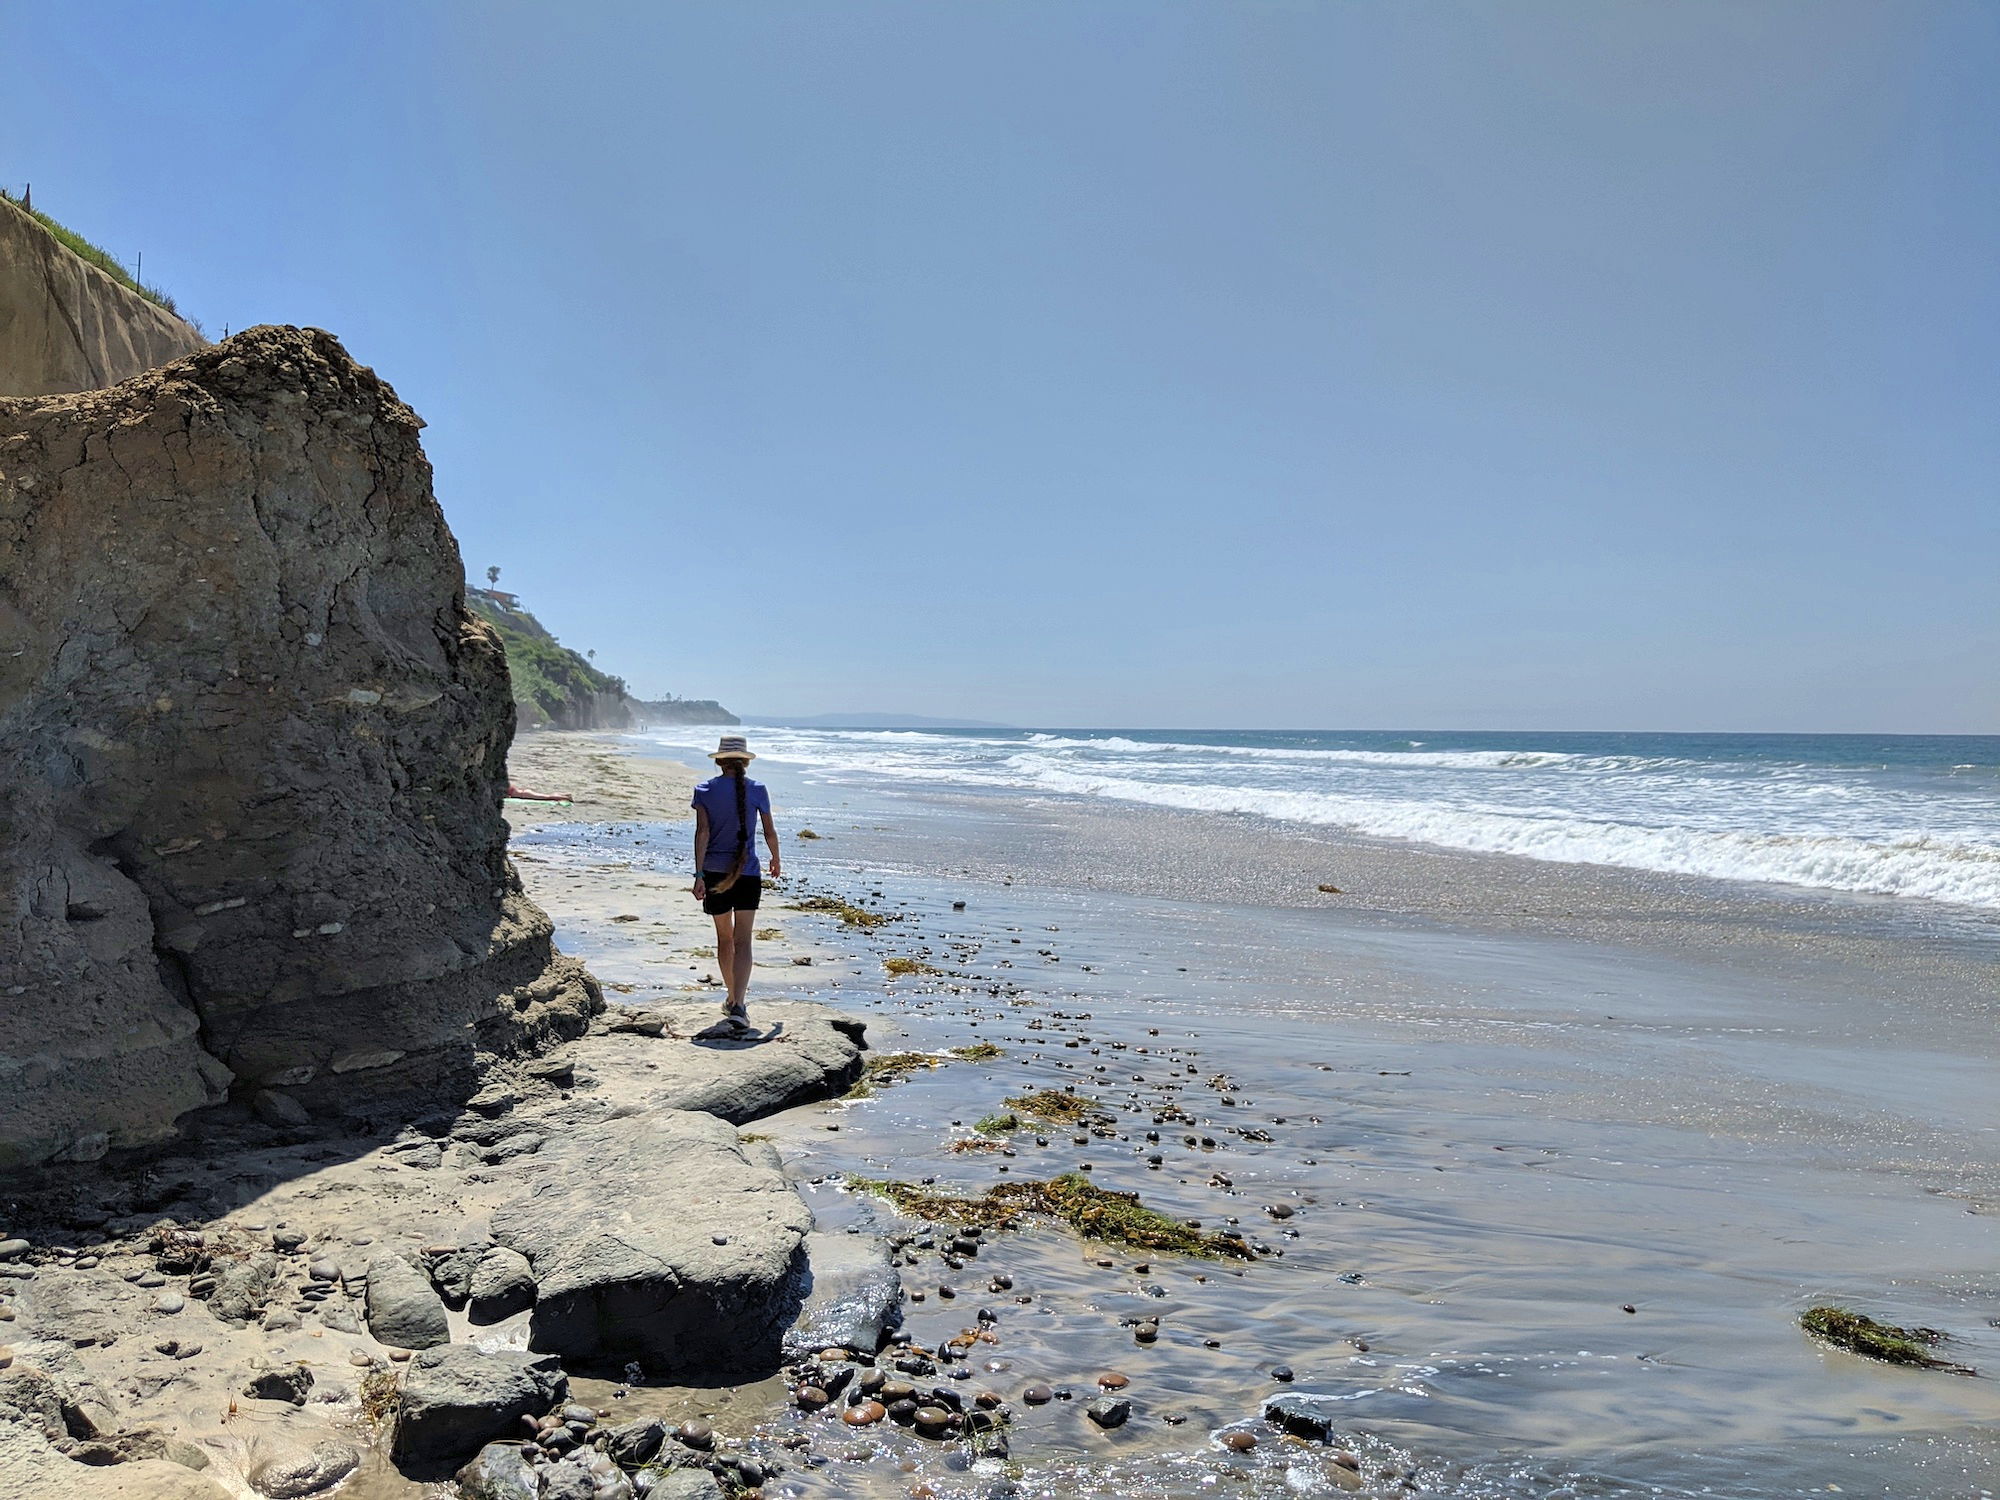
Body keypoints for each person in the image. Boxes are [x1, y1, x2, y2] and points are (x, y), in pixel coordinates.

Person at [690, 735, 781, 1029]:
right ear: (745, 762)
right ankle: (739, 1004)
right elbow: (769, 832)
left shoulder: (704, 790)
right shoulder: (758, 789)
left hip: (715, 873)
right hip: (748, 872)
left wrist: (699, 874)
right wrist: (775, 859)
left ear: (719, 761)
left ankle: (732, 998)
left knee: (725, 939)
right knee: (743, 939)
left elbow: (702, 833)